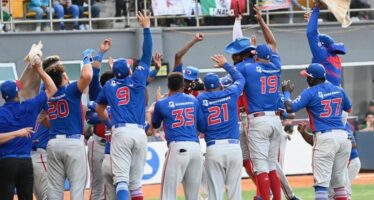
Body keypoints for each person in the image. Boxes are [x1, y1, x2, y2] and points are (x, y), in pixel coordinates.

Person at [95, 11, 152, 200]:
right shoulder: (137, 78)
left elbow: (99, 109)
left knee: (121, 181)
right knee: (135, 185)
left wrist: (110, 124)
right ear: (129, 71)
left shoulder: (109, 85)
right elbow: (147, 54)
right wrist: (146, 28)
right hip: (139, 132)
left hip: (120, 131)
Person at [282, 63, 352, 200]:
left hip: (325, 136)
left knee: (321, 186)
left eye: (307, 77)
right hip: (343, 136)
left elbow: (290, 107)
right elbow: (348, 109)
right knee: (339, 185)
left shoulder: (310, 92)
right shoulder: (338, 89)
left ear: (312, 79)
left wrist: (286, 92)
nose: (306, 79)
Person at [0, 53, 57, 200]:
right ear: (17, 93)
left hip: (5, 162)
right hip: (25, 161)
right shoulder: (29, 106)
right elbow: (52, 89)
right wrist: (39, 69)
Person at [44, 48, 94, 199]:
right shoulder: (71, 90)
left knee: (54, 190)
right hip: (73, 142)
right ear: (63, 76)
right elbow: (87, 75)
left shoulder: (45, 93)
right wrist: (86, 59)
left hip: (53, 142)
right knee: (77, 188)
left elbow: (45, 120)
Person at [147, 72, 204, 200]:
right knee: (193, 196)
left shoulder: (162, 103)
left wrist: (155, 105)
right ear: (183, 85)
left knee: (168, 194)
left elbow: (155, 125)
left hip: (177, 147)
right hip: (196, 148)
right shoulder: (194, 100)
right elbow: (202, 127)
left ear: (168, 85)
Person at [197, 54, 244, 200]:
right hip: (234, 147)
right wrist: (226, 65)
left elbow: (201, 127)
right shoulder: (230, 93)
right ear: (220, 84)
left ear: (205, 87)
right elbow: (241, 79)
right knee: (234, 193)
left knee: (214, 193)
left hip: (214, 148)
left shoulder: (201, 98)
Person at [298, 119, 361, 200]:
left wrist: (331, 144)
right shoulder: (322, 121)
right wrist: (304, 133)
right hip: (334, 163)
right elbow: (316, 142)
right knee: (331, 193)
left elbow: (353, 144)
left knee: (341, 192)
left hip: (349, 161)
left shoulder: (339, 120)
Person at [85, 38, 112, 200]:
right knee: (97, 187)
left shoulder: (121, 97)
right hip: (99, 143)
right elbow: (94, 76)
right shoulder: (98, 93)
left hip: (115, 144)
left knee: (114, 186)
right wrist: (101, 52)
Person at [304, 1, 347, 87]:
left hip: (323, 94)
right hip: (336, 93)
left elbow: (311, 34)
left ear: (323, 46)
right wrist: (311, 21)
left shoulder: (322, 55)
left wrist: (316, 8)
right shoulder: (335, 57)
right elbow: (317, 36)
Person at [173, 33, 205, 97]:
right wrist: (194, 40)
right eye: (184, 80)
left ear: (195, 82)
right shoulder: (177, 81)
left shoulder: (195, 93)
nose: (185, 83)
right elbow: (178, 56)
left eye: (188, 81)